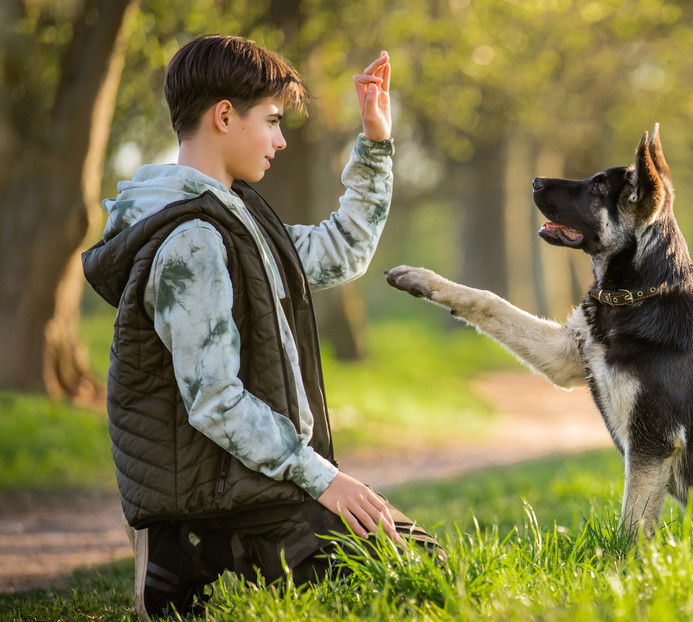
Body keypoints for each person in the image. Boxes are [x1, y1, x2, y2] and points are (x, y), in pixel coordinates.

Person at [82, 34, 440, 619]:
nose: (280, 140)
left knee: (423, 563)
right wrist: (323, 479)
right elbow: (215, 399)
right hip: (213, 492)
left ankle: (204, 553)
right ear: (224, 116)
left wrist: (375, 143)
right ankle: (180, 551)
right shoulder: (192, 239)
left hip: (250, 477)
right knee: (401, 578)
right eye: (272, 121)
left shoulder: (236, 218)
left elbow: (340, 252)